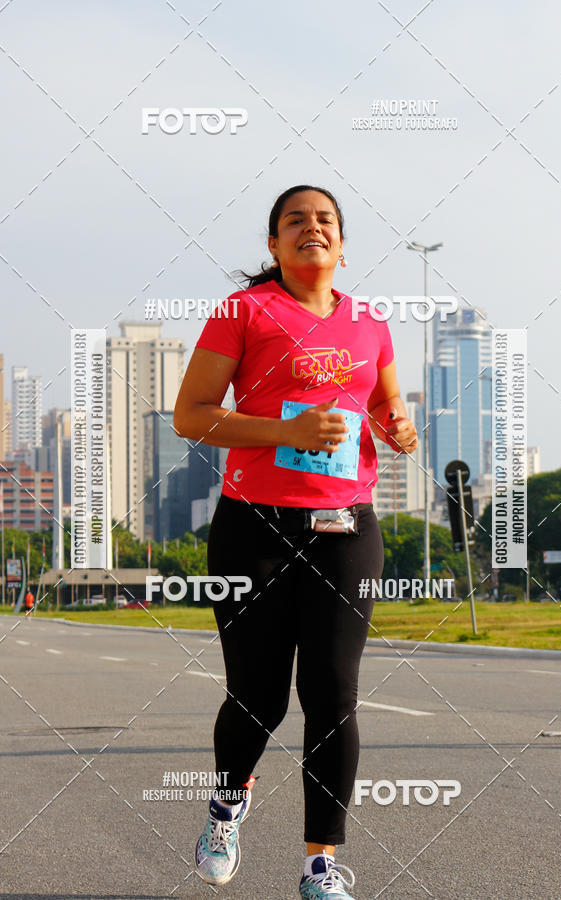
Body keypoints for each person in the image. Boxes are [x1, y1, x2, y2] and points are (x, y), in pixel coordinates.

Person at [173, 185, 418, 899]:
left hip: (347, 526)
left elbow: (385, 404)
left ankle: (320, 865)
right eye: (294, 221)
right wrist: (285, 432)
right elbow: (191, 415)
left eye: (325, 221)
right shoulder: (243, 312)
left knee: (333, 694)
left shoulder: (371, 322)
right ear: (275, 246)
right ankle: (226, 806)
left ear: (342, 245)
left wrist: (400, 429)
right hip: (256, 527)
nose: (311, 228)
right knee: (259, 697)